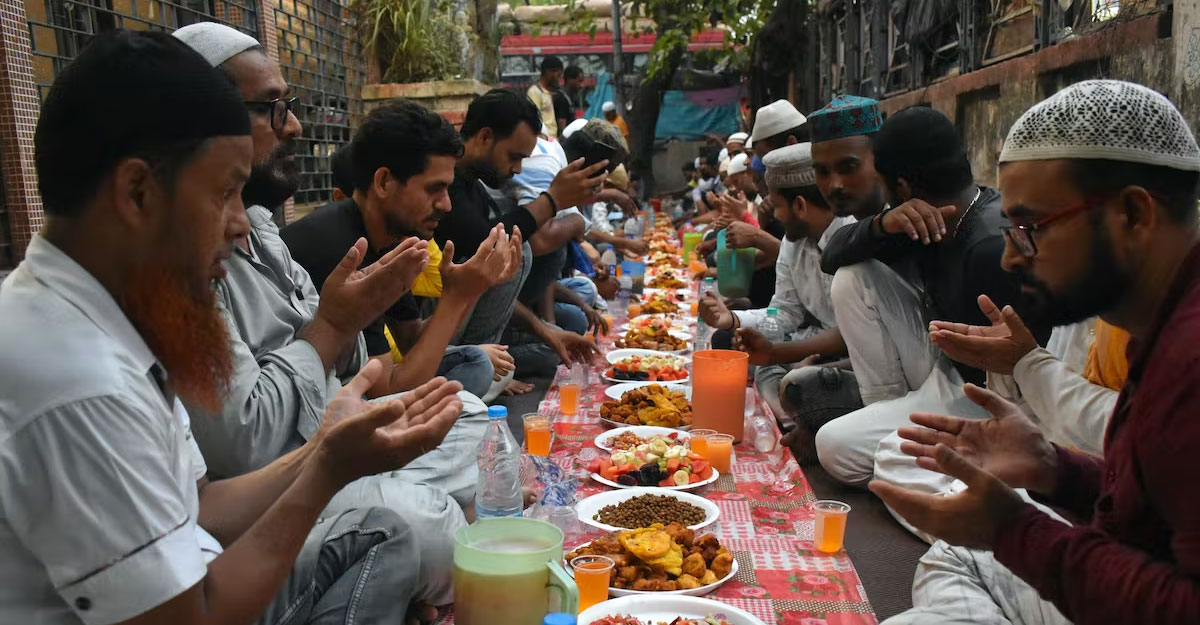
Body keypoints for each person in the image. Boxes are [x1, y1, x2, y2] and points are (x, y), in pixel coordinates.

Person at [0, 29, 462, 625]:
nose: (242, 224)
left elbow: (200, 505)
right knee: (392, 533)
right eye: (225, 194)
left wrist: (325, 451)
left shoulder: (103, 312)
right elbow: (198, 613)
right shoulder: (78, 380)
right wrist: (327, 471)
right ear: (137, 191)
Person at [871, 79, 1200, 625]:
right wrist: (1057, 472)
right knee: (954, 556)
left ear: (1135, 215)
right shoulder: (1162, 323)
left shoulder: (1190, 358)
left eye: (1029, 229)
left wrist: (1011, 529)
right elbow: (1155, 517)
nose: (1009, 259)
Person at [173, 23, 476, 609]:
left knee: (473, 429)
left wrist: (339, 358)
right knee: (423, 530)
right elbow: (247, 445)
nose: (294, 126)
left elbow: (356, 370)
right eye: (273, 108)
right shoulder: (180, 267)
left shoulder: (261, 228)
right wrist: (334, 335)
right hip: (278, 489)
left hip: (316, 451)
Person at [813, 105, 1039, 487]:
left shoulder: (990, 246)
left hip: (1000, 403)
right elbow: (833, 256)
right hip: (947, 377)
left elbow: (1023, 382)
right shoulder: (925, 218)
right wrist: (884, 224)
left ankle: (981, 506)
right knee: (837, 444)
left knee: (867, 456)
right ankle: (896, 431)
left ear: (900, 186)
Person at [281, 100, 521, 400]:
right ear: (384, 182)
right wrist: (457, 297)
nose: (447, 205)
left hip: (364, 385)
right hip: (313, 408)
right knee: (467, 393)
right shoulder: (343, 252)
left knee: (476, 363)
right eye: (434, 189)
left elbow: (411, 340)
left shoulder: (388, 239)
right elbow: (390, 392)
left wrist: (470, 288)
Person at [437, 88, 606, 374]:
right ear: (485, 137)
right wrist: (552, 200)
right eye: (513, 157)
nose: (517, 169)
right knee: (517, 248)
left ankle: (488, 361)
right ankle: (480, 363)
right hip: (436, 336)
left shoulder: (475, 186)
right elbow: (487, 245)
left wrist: (545, 330)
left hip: (471, 327)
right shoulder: (448, 184)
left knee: (568, 327)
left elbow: (489, 279)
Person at [698, 143, 858, 438]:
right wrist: (731, 320)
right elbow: (782, 312)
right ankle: (800, 417)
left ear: (800, 205)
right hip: (809, 346)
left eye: (778, 207)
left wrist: (787, 356)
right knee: (737, 354)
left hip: (857, 359)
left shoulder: (852, 239)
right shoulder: (792, 243)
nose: (777, 218)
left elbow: (853, 337)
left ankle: (806, 420)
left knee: (796, 385)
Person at [808, 95, 886, 221]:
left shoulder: (913, 228)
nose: (834, 185)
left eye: (848, 168)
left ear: (881, 159)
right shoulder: (840, 234)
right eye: (822, 172)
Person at [527, 56, 563, 138]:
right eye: (558, 75)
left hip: (552, 140)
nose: (559, 79)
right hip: (543, 140)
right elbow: (534, 118)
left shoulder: (548, 92)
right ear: (549, 72)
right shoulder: (534, 92)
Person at [554, 65, 587, 134]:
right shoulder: (561, 98)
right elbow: (562, 124)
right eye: (579, 81)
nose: (581, 85)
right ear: (569, 79)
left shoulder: (570, 97)